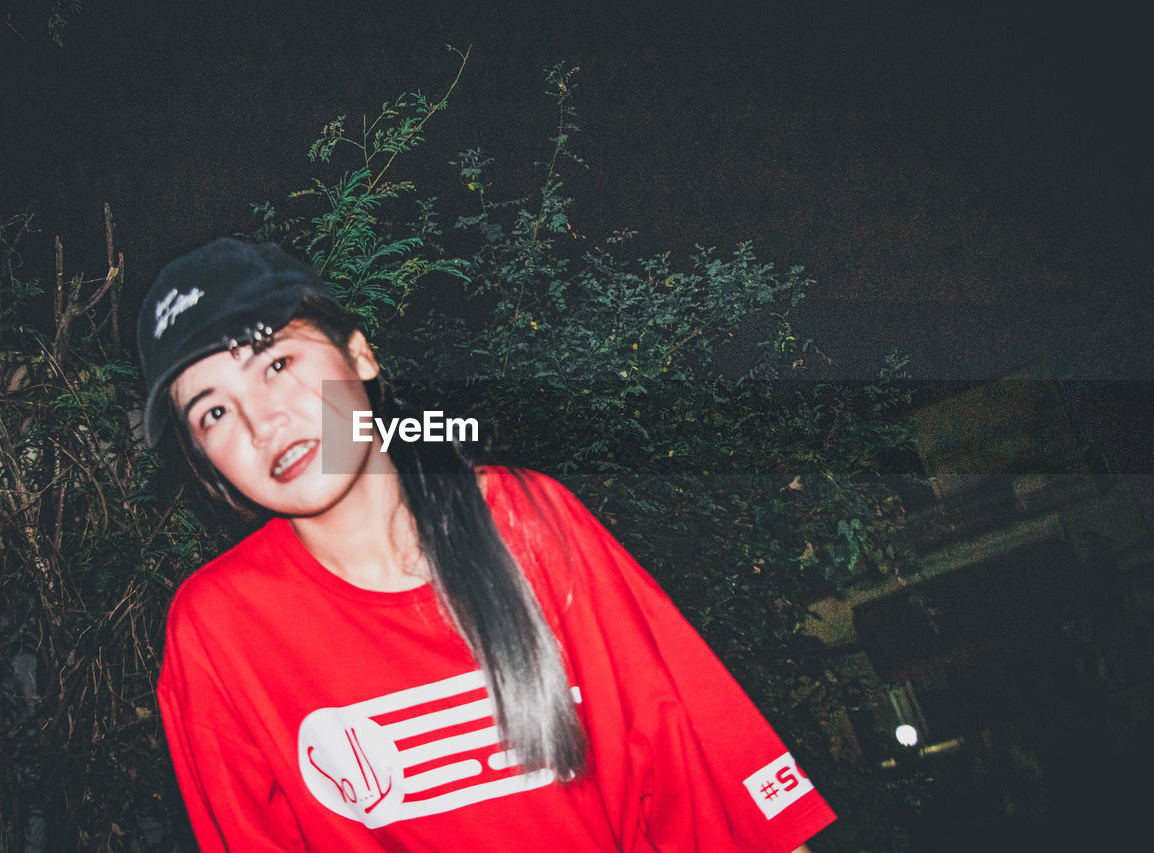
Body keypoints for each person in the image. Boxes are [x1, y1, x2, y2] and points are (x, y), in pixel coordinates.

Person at [138, 237, 836, 851]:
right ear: (203, 458)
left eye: (277, 364)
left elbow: (691, 766)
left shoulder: (524, 521)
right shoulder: (219, 629)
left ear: (360, 353)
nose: (262, 423)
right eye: (215, 411)